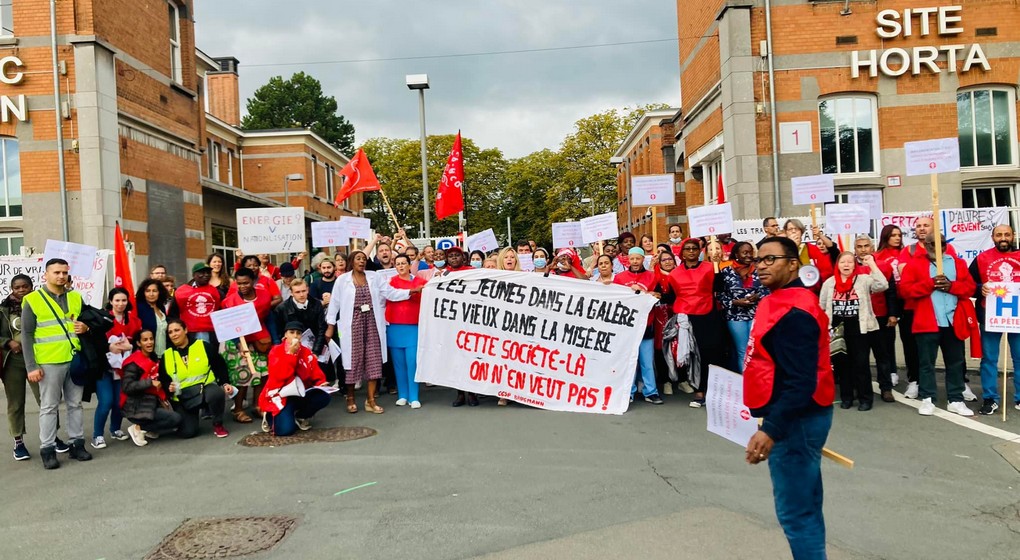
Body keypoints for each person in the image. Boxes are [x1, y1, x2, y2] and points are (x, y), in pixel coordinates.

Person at [743, 236, 835, 560]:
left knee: (797, 513)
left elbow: (801, 382)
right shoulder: (781, 300)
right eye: (759, 260)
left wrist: (771, 429)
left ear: (794, 264)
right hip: (796, 417)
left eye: (771, 259)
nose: (761, 265)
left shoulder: (795, 311)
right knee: (805, 506)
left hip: (797, 421)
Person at [324, 251, 416, 414]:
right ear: (351, 261)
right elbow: (334, 304)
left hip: (372, 322)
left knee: (374, 360)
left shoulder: (374, 277)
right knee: (353, 361)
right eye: (358, 259)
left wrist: (410, 291)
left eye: (364, 259)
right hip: (352, 324)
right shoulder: (342, 280)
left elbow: (390, 293)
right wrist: (330, 326)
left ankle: (371, 400)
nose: (362, 261)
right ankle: (350, 397)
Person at [22, 259, 94, 469]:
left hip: (74, 358)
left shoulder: (75, 297)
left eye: (64, 272)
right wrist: (31, 366)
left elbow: (86, 320)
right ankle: (48, 449)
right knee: (49, 406)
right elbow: (26, 335)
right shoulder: (32, 299)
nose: (61, 276)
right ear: (45, 275)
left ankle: (77, 444)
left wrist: (86, 327)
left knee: (75, 404)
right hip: (48, 362)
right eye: (56, 272)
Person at [899, 234, 978, 417]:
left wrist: (952, 286)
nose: (937, 247)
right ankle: (928, 398)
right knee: (926, 363)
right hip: (927, 321)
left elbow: (970, 288)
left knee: (955, 362)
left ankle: (955, 399)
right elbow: (905, 290)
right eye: (933, 244)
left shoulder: (957, 263)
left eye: (941, 244)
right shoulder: (915, 264)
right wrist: (930, 284)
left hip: (952, 321)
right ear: (926, 245)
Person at [820, 251, 888, 411]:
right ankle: (847, 397)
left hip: (859, 328)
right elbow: (822, 306)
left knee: (861, 364)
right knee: (842, 365)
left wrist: (871, 264)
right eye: (843, 262)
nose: (846, 265)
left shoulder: (863, 280)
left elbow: (882, 285)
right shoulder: (829, 283)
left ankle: (865, 399)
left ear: (855, 265)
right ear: (837, 265)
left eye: (850, 262)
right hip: (837, 330)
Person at [668, 238, 727, 407]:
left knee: (713, 353)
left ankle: (714, 391)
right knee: (694, 355)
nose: (691, 251)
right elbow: (671, 297)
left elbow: (719, 288)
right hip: (687, 318)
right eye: (687, 249)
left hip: (709, 316)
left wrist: (716, 266)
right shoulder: (674, 274)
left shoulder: (709, 267)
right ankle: (699, 391)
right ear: (682, 253)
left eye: (694, 248)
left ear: (700, 251)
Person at [970, 224, 1020, 415]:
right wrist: (979, 288)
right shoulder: (982, 258)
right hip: (990, 315)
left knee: (1019, 358)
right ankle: (990, 398)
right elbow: (969, 283)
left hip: (1017, 316)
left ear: (1013, 236)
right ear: (993, 237)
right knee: (989, 359)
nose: (1003, 238)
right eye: (999, 235)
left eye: (1007, 234)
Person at [159, 318, 233, 438]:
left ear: (185, 330)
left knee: (216, 393)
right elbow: (163, 379)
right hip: (182, 397)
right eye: (170, 332)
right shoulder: (166, 355)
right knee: (188, 433)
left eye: (177, 330)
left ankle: (218, 424)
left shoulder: (202, 346)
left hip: (205, 390)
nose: (174, 334)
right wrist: (169, 387)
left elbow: (219, 365)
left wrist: (225, 383)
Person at [260, 322, 333, 436]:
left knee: (324, 396)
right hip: (282, 395)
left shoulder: (306, 352)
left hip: (301, 392)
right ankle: (271, 415)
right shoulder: (276, 351)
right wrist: (291, 354)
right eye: (292, 332)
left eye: (298, 333)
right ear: (285, 335)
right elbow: (280, 375)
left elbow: (315, 372)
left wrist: (321, 383)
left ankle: (300, 416)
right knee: (285, 431)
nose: (295, 336)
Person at [221, 267, 274, 423]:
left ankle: (258, 405)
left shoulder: (265, 296)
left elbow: (268, 318)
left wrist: (275, 340)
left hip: (259, 340)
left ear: (253, 281)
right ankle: (238, 409)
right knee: (242, 374)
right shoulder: (230, 302)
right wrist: (238, 344)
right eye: (239, 283)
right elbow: (226, 325)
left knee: (263, 372)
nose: (242, 286)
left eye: (246, 283)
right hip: (237, 341)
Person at [1, 274, 44, 461]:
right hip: (13, 361)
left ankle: (51, 437)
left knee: (46, 400)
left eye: (24, 286)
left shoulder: (40, 305)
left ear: (31, 287)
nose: (21, 290)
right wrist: (8, 342)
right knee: (16, 402)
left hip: (37, 358)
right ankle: (18, 442)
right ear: (12, 289)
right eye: (17, 287)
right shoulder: (3, 309)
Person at [92, 287, 140, 448]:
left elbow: (139, 341)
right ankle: (98, 435)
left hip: (124, 368)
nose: (120, 304)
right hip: (104, 368)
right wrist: (110, 347)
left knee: (120, 402)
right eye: (117, 300)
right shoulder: (102, 319)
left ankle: (115, 429)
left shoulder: (134, 321)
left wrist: (130, 346)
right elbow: (95, 342)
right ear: (111, 301)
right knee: (106, 401)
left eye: (124, 300)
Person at [614, 248, 663, 405]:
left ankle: (651, 392)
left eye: (638, 258)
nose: (635, 261)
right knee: (629, 362)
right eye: (632, 258)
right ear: (628, 260)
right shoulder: (619, 278)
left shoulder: (652, 276)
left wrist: (643, 292)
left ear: (643, 259)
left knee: (647, 362)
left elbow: (658, 296)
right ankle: (628, 392)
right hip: (627, 326)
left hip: (646, 324)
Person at [855, 235, 898, 402]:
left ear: (872, 247)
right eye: (859, 246)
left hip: (880, 316)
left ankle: (886, 388)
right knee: (860, 357)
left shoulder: (884, 266)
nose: (863, 249)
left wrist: (892, 314)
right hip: (859, 318)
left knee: (883, 355)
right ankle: (861, 388)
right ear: (855, 249)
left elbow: (891, 292)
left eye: (866, 246)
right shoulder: (850, 266)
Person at [120, 329, 181, 446]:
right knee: (175, 419)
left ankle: (149, 429)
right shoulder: (133, 362)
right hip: (136, 406)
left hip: (153, 402)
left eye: (151, 339)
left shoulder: (154, 358)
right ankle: (139, 427)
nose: (149, 342)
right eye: (145, 340)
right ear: (138, 343)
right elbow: (127, 387)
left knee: (179, 422)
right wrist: (150, 382)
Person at [715, 241, 768, 372]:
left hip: (756, 314)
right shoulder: (726, 272)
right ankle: (745, 380)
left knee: (757, 349)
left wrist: (758, 296)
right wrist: (734, 302)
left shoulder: (759, 270)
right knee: (742, 351)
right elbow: (720, 295)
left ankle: (758, 378)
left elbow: (768, 289)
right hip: (735, 317)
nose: (748, 255)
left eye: (750, 252)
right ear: (736, 254)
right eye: (745, 252)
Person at [386, 254, 427, 408]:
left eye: (404, 263)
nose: (401, 266)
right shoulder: (390, 282)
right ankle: (402, 395)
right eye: (398, 264)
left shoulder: (420, 282)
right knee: (399, 364)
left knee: (412, 362)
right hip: (394, 327)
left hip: (413, 326)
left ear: (410, 265)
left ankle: (414, 396)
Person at [874, 225, 905, 389]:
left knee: (908, 339)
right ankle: (891, 371)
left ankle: (914, 378)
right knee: (887, 339)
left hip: (906, 299)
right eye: (893, 235)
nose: (897, 238)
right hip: (888, 300)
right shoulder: (876, 256)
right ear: (885, 237)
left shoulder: (906, 253)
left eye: (899, 235)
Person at [174, 262, 221, 345]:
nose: (206, 275)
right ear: (194, 275)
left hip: (212, 334)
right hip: (190, 333)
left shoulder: (216, 291)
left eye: (208, 272)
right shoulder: (181, 292)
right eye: (202, 272)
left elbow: (222, 310)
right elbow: (173, 313)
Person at [783, 219, 834, 288]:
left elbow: (826, 270)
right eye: (790, 229)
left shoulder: (812, 248)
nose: (793, 231)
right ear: (786, 233)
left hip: (811, 288)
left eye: (796, 229)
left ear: (801, 232)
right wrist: (792, 246)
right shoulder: (782, 250)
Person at [135, 279, 171, 356]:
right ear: (143, 293)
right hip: (148, 354)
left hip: (164, 352)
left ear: (159, 292)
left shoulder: (161, 308)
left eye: (154, 291)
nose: (151, 294)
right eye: (148, 291)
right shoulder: (139, 308)